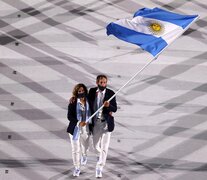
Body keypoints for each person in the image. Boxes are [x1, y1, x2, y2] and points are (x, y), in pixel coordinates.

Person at [88, 75, 117, 178]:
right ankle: (100, 156)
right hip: (96, 123)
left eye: (105, 82)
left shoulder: (111, 93)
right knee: (95, 146)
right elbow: (85, 101)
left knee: (105, 147)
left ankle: (100, 167)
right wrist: (74, 98)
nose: (103, 84)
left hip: (106, 123)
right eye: (101, 83)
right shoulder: (91, 92)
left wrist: (109, 106)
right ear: (97, 82)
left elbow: (115, 109)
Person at [67, 83, 92, 177]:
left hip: (86, 128)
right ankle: (77, 167)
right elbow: (69, 116)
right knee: (75, 150)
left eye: (82, 90)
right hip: (75, 129)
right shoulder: (73, 102)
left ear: (85, 91)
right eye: (79, 91)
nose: (81, 92)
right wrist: (78, 122)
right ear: (76, 92)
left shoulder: (89, 100)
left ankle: (84, 155)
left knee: (85, 146)